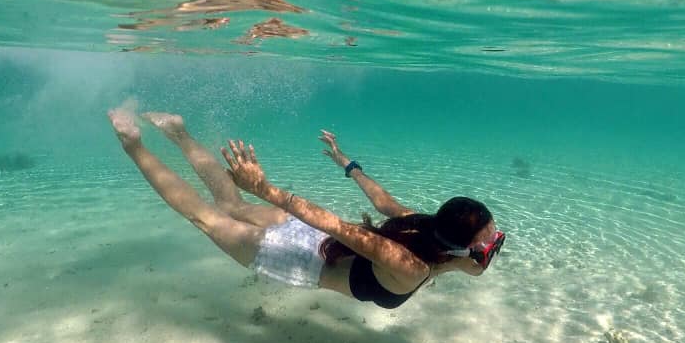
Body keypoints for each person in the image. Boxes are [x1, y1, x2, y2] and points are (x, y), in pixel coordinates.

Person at [107, 108, 505, 309]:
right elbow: (335, 224)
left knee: (230, 203)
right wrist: (266, 189)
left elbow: (381, 201)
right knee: (205, 215)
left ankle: (178, 131)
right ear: (459, 247)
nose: (491, 249)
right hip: (295, 254)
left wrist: (347, 164)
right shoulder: (408, 264)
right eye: (489, 243)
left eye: (494, 242)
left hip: (309, 238)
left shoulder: (422, 230)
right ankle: (133, 143)